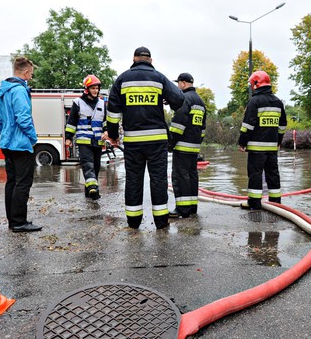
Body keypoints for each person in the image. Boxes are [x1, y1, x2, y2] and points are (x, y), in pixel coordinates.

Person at [106, 46, 185, 229]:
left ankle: (133, 222)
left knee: (133, 179)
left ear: (134, 59)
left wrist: (113, 135)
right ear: (151, 60)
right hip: (157, 141)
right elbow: (179, 99)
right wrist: (166, 100)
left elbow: (112, 112)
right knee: (158, 180)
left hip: (133, 141)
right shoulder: (159, 78)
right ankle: (161, 222)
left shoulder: (122, 79)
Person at [0, 56, 42, 232]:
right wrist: (33, 138)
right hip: (21, 144)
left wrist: (5, 134)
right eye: (31, 74)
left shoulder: (3, 91)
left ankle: (12, 221)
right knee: (23, 183)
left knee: (12, 182)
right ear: (26, 72)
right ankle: (19, 222)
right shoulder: (19, 91)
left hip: (7, 143)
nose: (31, 77)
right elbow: (24, 118)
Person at [238, 70, 287, 210]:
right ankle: (276, 203)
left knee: (255, 175)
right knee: (273, 174)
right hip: (272, 148)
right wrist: (278, 141)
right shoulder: (278, 102)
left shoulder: (255, 101)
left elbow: (247, 125)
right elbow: (283, 125)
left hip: (256, 148)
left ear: (255, 84)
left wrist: (242, 142)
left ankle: (254, 204)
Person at [168, 72, 206, 219]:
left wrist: (170, 143)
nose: (178, 86)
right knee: (192, 176)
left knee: (180, 177)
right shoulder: (200, 102)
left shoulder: (184, 99)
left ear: (183, 83)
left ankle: (182, 210)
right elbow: (203, 127)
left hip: (182, 146)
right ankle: (192, 208)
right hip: (194, 147)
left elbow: (178, 125)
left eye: (178, 83)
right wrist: (197, 142)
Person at [65, 74, 107, 200]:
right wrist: (68, 137)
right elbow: (71, 122)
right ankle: (94, 190)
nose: (96, 90)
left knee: (96, 168)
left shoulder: (102, 103)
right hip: (84, 140)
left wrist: (106, 131)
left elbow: (105, 121)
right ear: (87, 89)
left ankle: (89, 191)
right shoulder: (78, 103)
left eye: (97, 88)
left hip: (98, 141)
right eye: (93, 88)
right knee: (88, 165)